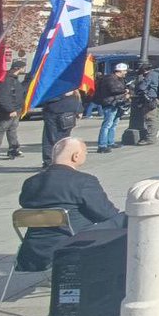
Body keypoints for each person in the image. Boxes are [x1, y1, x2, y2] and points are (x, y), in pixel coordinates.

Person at [16, 138, 126, 271]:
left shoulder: (30, 183)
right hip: (71, 248)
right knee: (124, 218)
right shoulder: (84, 181)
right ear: (76, 156)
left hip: (33, 252)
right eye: (85, 153)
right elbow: (106, 214)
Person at [0, 60, 27, 160]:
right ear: (18, 68)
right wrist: (10, 109)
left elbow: (21, 90)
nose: (24, 69)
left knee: (12, 129)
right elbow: (1, 97)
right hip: (8, 111)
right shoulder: (6, 80)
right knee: (1, 129)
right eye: (23, 67)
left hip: (16, 109)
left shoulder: (14, 79)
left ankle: (13, 149)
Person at [94, 63, 131, 153]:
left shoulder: (119, 79)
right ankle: (102, 145)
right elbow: (114, 89)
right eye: (125, 71)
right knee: (107, 124)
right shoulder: (110, 78)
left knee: (114, 124)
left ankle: (110, 142)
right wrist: (125, 91)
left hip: (117, 103)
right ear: (120, 71)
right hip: (110, 103)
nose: (126, 73)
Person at [40, 90, 82, 167]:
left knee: (65, 139)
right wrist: (63, 95)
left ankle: (63, 160)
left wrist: (79, 110)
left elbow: (77, 95)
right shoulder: (52, 83)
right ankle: (49, 161)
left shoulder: (70, 82)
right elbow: (45, 97)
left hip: (68, 113)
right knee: (51, 138)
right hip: (53, 114)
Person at [129, 61, 159, 144]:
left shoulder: (151, 75)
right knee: (156, 118)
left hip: (150, 99)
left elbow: (143, 87)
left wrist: (137, 84)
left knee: (150, 119)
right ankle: (153, 136)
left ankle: (150, 138)